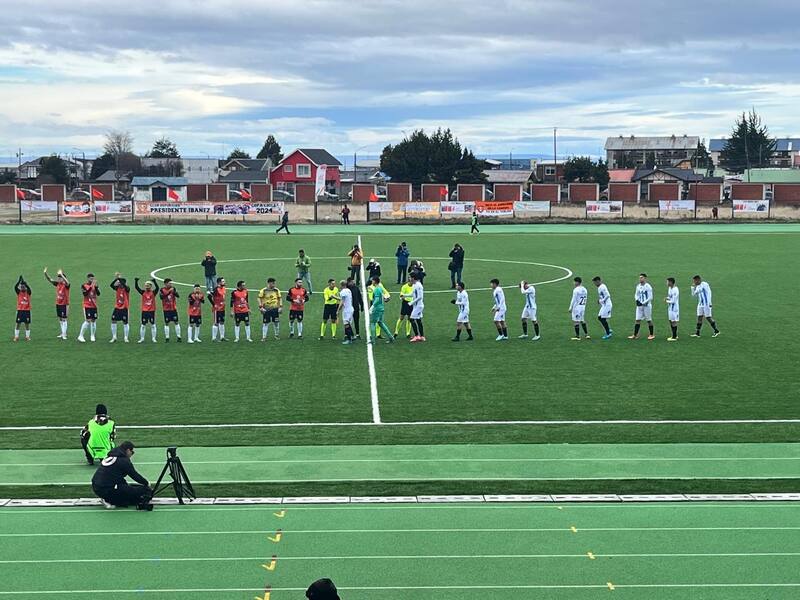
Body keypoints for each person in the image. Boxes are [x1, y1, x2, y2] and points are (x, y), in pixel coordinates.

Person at [91, 441, 152, 510]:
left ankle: (108, 497)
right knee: (144, 491)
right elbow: (134, 475)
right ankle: (109, 499)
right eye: (132, 452)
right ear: (128, 450)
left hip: (97, 486)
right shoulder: (123, 460)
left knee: (130, 488)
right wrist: (146, 483)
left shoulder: (112, 456)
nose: (132, 454)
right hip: (107, 489)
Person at [44, 267, 70, 340]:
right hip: (58, 303)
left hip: (64, 304)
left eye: (60, 278)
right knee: (60, 319)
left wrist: (61, 275)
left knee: (64, 319)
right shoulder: (57, 284)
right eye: (58, 278)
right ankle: (62, 333)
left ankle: (64, 334)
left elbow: (68, 282)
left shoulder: (66, 285)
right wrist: (45, 273)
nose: (59, 279)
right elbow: (50, 279)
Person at [629, 273, 655, 341]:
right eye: (640, 277)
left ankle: (651, 334)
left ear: (645, 278)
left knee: (649, 320)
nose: (640, 279)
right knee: (637, 320)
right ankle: (635, 335)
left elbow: (650, 297)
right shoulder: (638, 286)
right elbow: (636, 294)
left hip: (647, 306)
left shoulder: (648, 287)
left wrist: (643, 303)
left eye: (642, 277)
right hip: (639, 306)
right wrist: (637, 300)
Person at [369, 277, 394, 343]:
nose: (372, 282)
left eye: (372, 281)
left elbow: (377, 299)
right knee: (380, 323)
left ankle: (373, 340)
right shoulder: (380, 288)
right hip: (381, 308)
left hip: (377, 309)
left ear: (375, 281)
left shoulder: (376, 289)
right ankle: (391, 337)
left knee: (372, 323)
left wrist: (372, 307)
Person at [134, 277, 159, 343]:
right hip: (144, 311)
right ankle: (142, 338)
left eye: (148, 285)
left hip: (151, 311)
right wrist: (136, 281)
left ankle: (153, 338)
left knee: (153, 324)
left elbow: (157, 288)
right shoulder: (143, 292)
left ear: (151, 286)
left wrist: (155, 282)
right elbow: (137, 288)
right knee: (143, 325)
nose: (146, 287)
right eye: (146, 285)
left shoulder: (153, 292)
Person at [78, 273, 100, 343]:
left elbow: (98, 293)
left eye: (93, 278)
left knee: (93, 320)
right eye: (91, 279)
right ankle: (81, 336)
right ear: (88, 278)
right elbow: (85, 294)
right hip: (87, 305)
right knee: (88, 320)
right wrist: (91, 286)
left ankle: (92, 335)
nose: (92, 280)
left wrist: (96, 287)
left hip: (94, 305)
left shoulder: (95, 285)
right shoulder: (84, 285)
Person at [109, 273, 130, 343]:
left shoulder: (127, 288)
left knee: (125, 322)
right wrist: (116, 279)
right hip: (117, 307)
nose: (118, 283)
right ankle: (114, 337)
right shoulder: (117, 288)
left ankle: (126, 337)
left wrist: (119, 278)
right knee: (113, 320)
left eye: (119, 282)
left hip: (124, 307)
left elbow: (124, 285)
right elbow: (111, 285)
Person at [159, 278, 182, 342]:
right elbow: (161, 297)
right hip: (166, 309)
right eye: (170, 283)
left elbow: (178, 296)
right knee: (166, 323)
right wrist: (169, 292)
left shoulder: (173, 288)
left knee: (176, 322)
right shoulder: (162, 290)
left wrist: (174, 292)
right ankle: (167, 338)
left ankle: (179, 337)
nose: (171, 284)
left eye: (171, 283)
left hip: (173, 308)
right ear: (166, 283)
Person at [592, 276, 613, 340]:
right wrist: (600, 300)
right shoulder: (599, 287)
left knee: (602, 318)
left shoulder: (602, 287)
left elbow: (608, 295)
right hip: (604, 305)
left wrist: (602, 300)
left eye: (595, 282)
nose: (594, 284)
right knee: (600, 317)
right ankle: (608, 329)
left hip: (607, 305)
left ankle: (608, 333)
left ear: (598, 281)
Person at [13, 275, 31, 342]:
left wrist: (26, 284)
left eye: (23, 286)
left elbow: (29, 289)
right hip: (20, 310)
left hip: (27, 311)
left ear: (25, 287)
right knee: (18, 324)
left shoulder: (28, 292)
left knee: (27, 324)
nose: (22, 288)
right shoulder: (19, 292)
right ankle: (16, 337)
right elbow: (15, 287)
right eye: (21, 286)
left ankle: (27, 337)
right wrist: (18, 281)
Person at [208, 277, 227, 341]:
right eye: (223, 281)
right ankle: (214, 337)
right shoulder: (216, 289)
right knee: (216, 323)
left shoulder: (224, 288)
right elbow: (209, 296)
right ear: (219, 282)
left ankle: (222, 337)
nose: (224, 282)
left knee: (222, 322)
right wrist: (214, 304)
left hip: (222, 308)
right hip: (217, 309)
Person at [409, 272, 426, 342]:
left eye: (410, 277)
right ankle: (422, 336)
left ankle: (417, 336)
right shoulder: (414, 285)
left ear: (413, 278)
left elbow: (420, 297)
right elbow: (412, 294)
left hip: (418, 306)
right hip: (416, 306)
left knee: (412, 319)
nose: (409, 278)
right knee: (418, 320)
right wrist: (404, 295)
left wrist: (411, 302)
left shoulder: (419, 285)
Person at [338, 279, 356, 344]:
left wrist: (338, 310)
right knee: (348, 324)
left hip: (347, 310)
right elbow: (344, 299)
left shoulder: (343, 292)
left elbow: (342, 302)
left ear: (341, 285)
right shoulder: (348, 290)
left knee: (346, 324)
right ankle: (353, 336)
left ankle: (349, 339)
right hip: (351, 309)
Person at [665, 277, 680, 341]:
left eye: (667, 282)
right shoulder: (669, 288)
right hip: (670, 308)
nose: (667, 283)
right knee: (670, 321)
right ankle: (674, 335)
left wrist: (667, 301)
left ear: (671, 282)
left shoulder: (675, 290)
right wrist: (667, 298)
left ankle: (674, 337)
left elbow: (673, 300)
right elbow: (670, 296)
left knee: (673, 321)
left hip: (674, 308)